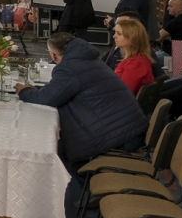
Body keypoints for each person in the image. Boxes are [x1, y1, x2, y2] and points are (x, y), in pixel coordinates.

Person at [15, 33, 148, 174]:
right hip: (129, 128)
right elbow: (60, 91)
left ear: (53, 55)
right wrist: (36, 90)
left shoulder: (69, 67)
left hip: (119, 137)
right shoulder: (86, 59)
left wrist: (23, 91)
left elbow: (47, 98)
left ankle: (66, 181)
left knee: (61, 149)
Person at [109, 17, 156, 94]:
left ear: (132, 38)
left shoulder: (135, 64)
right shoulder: (136, 59)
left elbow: (123, 94)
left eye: (119, 33)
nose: (114, 36)